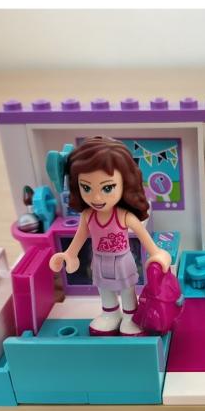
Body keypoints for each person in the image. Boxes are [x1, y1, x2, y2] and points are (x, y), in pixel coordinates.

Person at [49, 136, 172, 335]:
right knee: (104, 289)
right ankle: (110, 314)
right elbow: (79, 237)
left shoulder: (124, 216)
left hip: (122, 260)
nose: (97, 197)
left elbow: (145, 238)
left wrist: (157, 254)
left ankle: (130, 316)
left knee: (127, 290)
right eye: (87, 187)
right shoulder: (88, 215)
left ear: (125, 183)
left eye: (107, 188)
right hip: (99, 260)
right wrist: (69, 255)